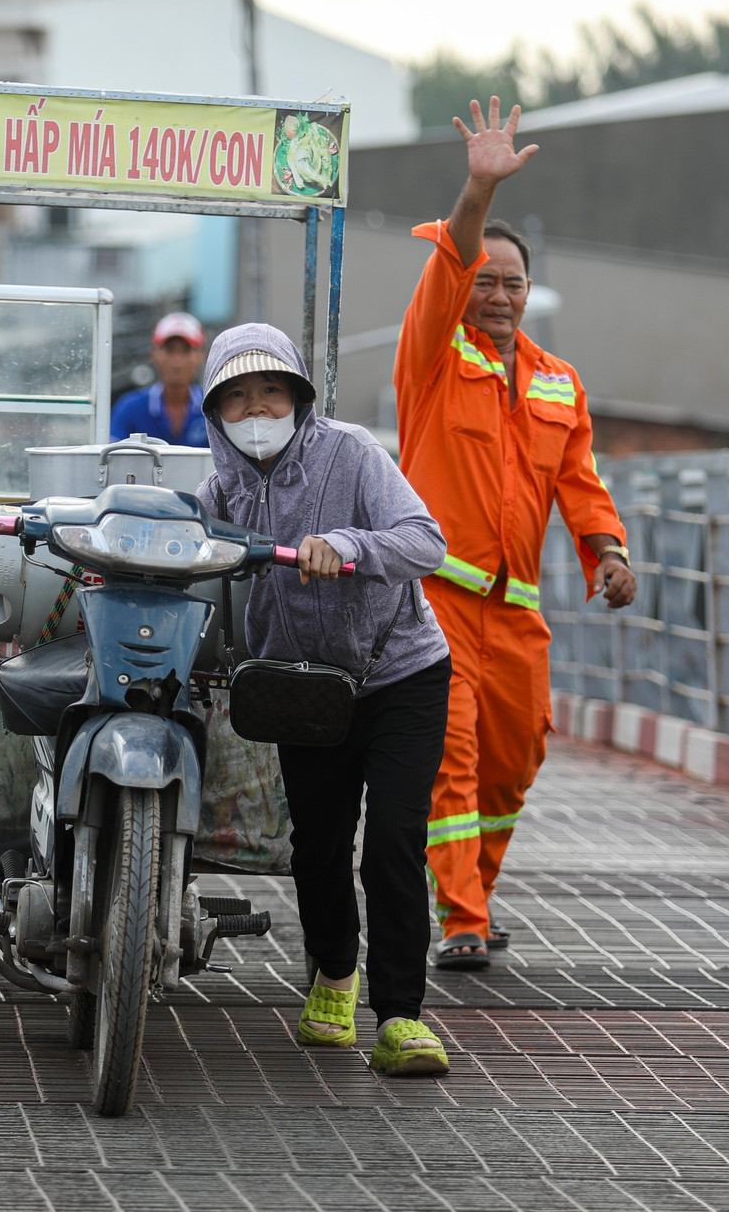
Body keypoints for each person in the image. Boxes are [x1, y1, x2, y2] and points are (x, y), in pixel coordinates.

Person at [394, 98, 639, 970]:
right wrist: (478, 190)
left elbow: (580, 482)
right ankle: (460, 916)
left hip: (517, 612)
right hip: (435, 602)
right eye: (485, 282)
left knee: (513, 759)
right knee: (450, 758)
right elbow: (455, 255)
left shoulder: (557, 384)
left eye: (513, 285)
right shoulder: (432, 356)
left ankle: (476, 891)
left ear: (530, 295)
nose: (497, 296)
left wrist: (606, 550)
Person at [196, 322, 456, 1076]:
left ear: (300, 396)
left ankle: (402, 1016)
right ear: (215, 415)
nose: (256, 409)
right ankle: (334, 980)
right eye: (237, 397)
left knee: (393, 843)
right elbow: (193, 568)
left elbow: (426, 541)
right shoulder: (218, 492)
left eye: (271, 391)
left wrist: (348, 546)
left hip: (400, 675)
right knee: (317, 844)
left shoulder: (354, 452)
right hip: (304, 691)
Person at [110, 311, 209, 445]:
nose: (177, 360)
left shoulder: (214, 409)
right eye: (169, 350)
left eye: (185, 351)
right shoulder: (130, 408)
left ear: (200, 357)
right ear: (154, 355)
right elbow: (111, 456)